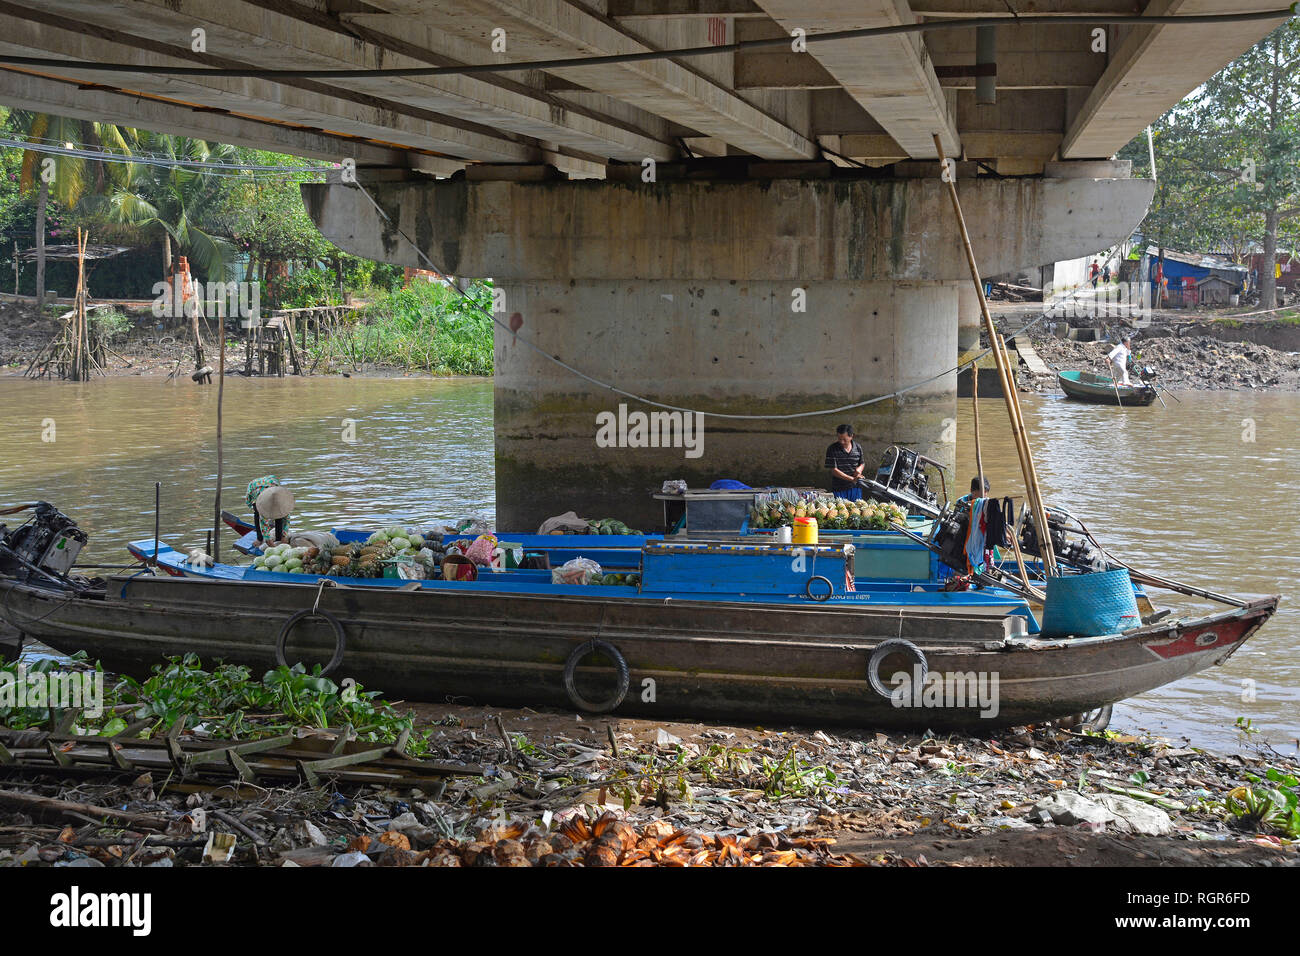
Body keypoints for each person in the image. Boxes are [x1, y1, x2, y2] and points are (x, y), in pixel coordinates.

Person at [246, 475, 294, 543]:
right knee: (257, 513)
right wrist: (267, 539)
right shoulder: (252, 487)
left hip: (273, 485)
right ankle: (259, 539)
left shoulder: (280, 500)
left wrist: (284, 535)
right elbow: (263, 521)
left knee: (279, 516)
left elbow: (286, 518)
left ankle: (278, 538)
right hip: (257, 492)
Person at [824, 424, 865, 500]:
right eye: (839, 439)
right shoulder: (832, 449)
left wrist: (859, 469)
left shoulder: (858, 447)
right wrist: (852, 479)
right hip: (839, 489)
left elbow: (862, 463)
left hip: (856, 488)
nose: (842, 442)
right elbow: (834, 470)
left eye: (844, 439)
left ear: (851, 436)